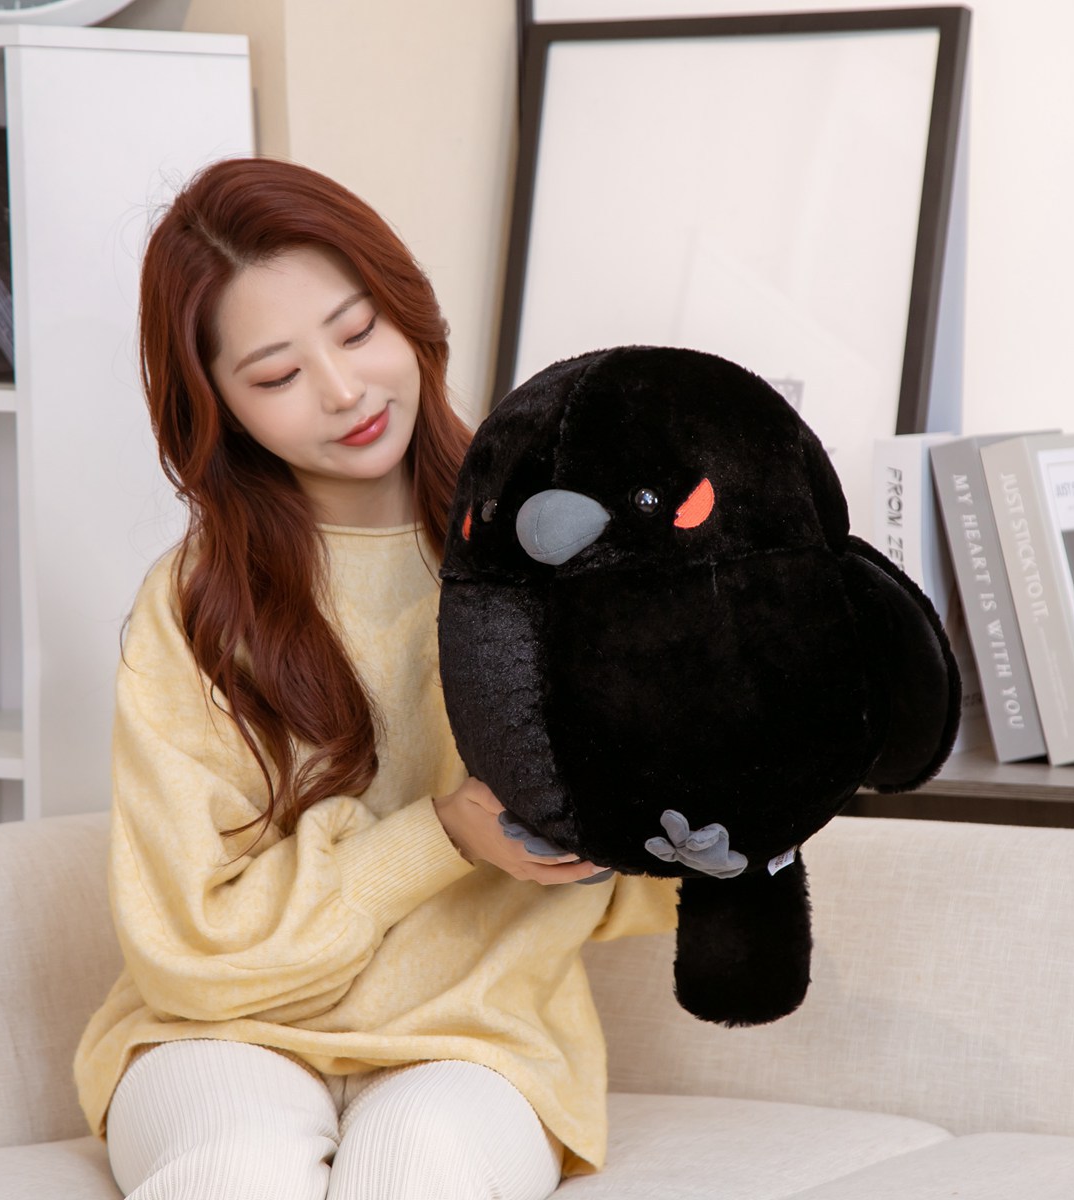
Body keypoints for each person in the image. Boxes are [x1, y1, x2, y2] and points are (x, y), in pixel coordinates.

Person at [72, 157, 680, 1200]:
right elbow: (186, 944)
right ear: (218, 408)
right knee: (230, 1177)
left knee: (414, 1175)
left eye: (357, 332)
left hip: (479, 1042)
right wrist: (439, 838)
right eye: (276, 377)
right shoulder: (195, 604)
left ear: (407, 312)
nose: (344, 390)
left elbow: (653, 868)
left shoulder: (555, 545)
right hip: (223, 1035)